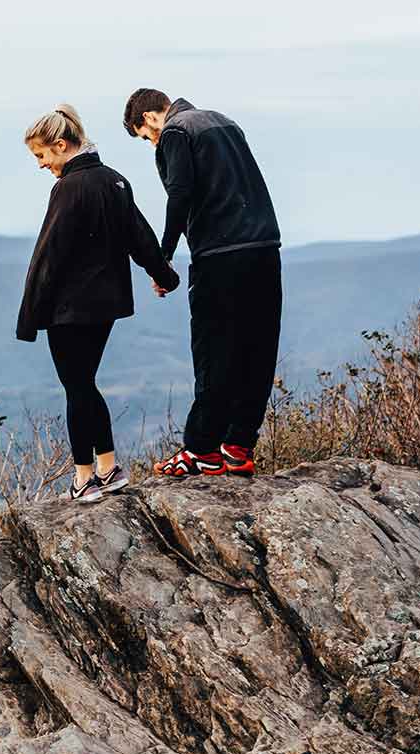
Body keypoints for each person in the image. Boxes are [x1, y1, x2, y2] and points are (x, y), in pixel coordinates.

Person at [17, 104, 179, 503]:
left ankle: (83, 478)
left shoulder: (68, 188)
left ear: (60, 145)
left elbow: (48, 255)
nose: (40, 165)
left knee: (76, 388)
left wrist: (30, 318)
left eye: (41, 155)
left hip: (68, 309)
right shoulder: (115, 181)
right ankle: (109, 468)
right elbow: (140, 236)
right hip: (106, 307)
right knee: (85, 384)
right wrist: (165, 276)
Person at [123, 89, 282, 479]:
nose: (151, 142)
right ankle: (239, 444)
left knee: (213, 350)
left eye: (145, 137)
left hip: (220, 255)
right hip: (264, 248)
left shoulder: (176, 131)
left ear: (148, 119)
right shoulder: (225, 122)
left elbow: (180, 192)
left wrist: (163, 255)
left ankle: (202, 450)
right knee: (257, 348)